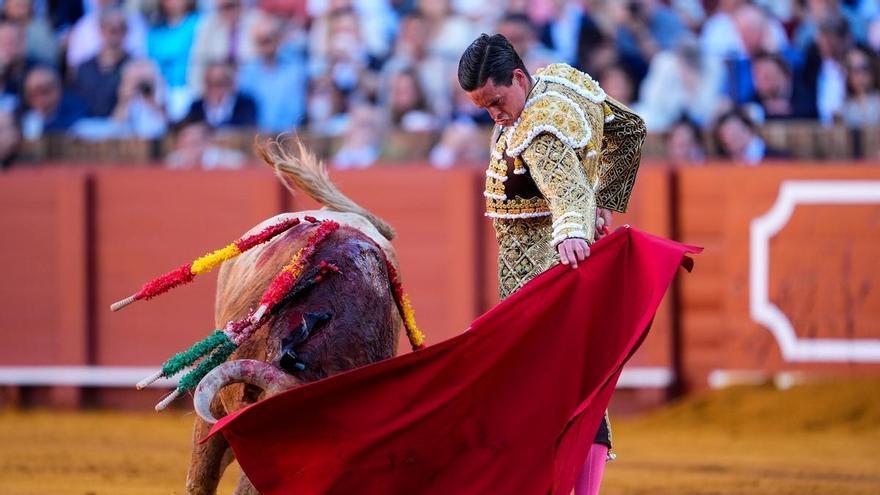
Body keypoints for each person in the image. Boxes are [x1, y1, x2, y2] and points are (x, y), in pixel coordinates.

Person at [458, 33, 645, 495]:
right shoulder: (559, 82)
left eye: (497, 101)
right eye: (485, 108)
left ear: (518, 78)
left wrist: (574, 233)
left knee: (543, 393)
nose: (495, 115)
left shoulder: (537, 128)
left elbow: (567, 192)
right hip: (557, 271)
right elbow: (630, 130)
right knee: (573, 388)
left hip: (542, 277)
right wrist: (605, 201)